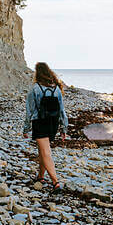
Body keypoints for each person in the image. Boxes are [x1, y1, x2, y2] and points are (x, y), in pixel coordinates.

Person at [23, 62, 68, 193]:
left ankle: (56, 182)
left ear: (37, 73)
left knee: (46, 152)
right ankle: (41, 177)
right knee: (42, 150)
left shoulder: (35, 88)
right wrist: (63, 128)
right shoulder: (56, 88)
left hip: (40, 122)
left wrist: (26, 128)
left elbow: (29, 111)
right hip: (53, 123)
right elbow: (62, 111)